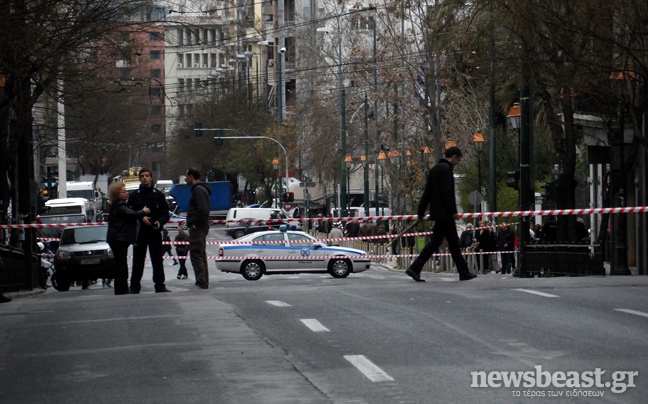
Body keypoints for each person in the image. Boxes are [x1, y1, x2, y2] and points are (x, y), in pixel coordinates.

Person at [405, 147, 477, 282]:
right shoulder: (446, 170)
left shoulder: (435, 169)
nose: (458, 163)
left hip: (438, 213)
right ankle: (415, 268)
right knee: (436, 243)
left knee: (452, 243)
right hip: (445, 215)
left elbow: (427, 192)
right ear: (454, 156)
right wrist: (453, 211)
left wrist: (421, 211)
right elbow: (447, 192)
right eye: (458, 160)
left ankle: (464, 272)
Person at [128, 168, 171, 293]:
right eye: (142, 176)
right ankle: (135, 286)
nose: (145, 178)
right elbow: (130, 213)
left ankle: (160, 285)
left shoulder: (158, 195)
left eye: (147, 176)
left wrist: (160, 222)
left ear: (151, 178)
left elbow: (165, 214)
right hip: (140, 232)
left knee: (157, 259)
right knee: (138, 260)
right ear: (140, 178)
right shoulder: (135, 196)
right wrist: (141, 217)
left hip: (154, 231)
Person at [106, 182, 150, 295]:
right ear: (117, 194)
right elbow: (132, 214)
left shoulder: (117, 205)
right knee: (121, 265)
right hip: (119, 239)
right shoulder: (120, 206)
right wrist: (143, 212)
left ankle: (121, 288)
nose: (127, 194)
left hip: (117, 238)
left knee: (120, 264)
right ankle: (122, 288)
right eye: (124, 192)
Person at [185, 167, 211, 290]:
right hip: (201, 225)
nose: (185, 179)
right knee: (201, 253)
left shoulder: (198, 190)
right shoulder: (202, 189)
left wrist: (193, 221)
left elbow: (202, 209)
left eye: (186, 176)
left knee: (196, 253)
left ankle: (201, 282)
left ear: (191, 176)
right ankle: (203, 281)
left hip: (198, 226)